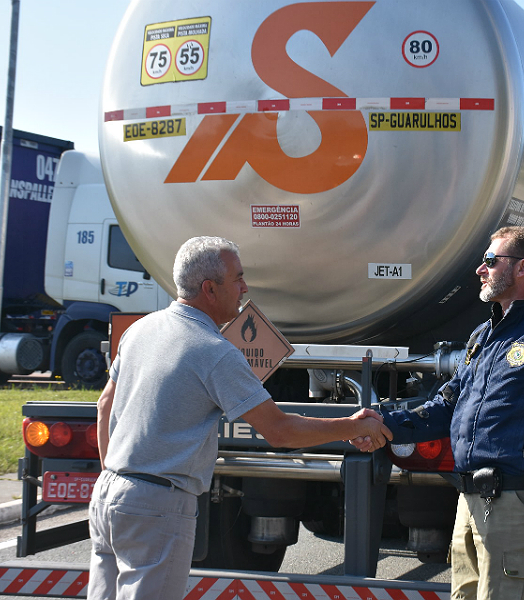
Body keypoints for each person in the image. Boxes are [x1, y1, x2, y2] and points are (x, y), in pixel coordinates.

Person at [88, 236, 392, 600]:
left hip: (108, 493)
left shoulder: (141, 329)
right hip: (158, 504)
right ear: (209, 289)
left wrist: (115, 478)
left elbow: (104, 406)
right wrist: (354, 426)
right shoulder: (214, 352)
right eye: (238, 278)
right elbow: (279, 431)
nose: (245, 288)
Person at [361, 226, 524, 600]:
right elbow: (446, 406)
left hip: (516, 504)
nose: (480, 270)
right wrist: (384, 424)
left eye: (490, 261)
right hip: (469, 504)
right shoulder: (483, 336)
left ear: (522, 267)